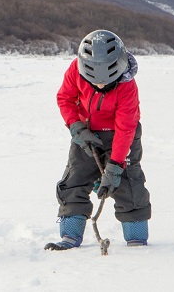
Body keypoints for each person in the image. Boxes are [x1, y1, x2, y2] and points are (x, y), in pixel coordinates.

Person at [45, 30, 151, 250]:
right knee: (74, 179)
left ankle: (136, 239)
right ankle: (70, 236)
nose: (100, 86)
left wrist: (115, 166)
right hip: (86, 131)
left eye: (106, 82)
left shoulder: (127, 87)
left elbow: (125, 128)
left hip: (121, 135)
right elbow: (64, 98)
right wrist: (75, 127)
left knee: (128, 185)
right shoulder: (75, 68)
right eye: (94, 82)